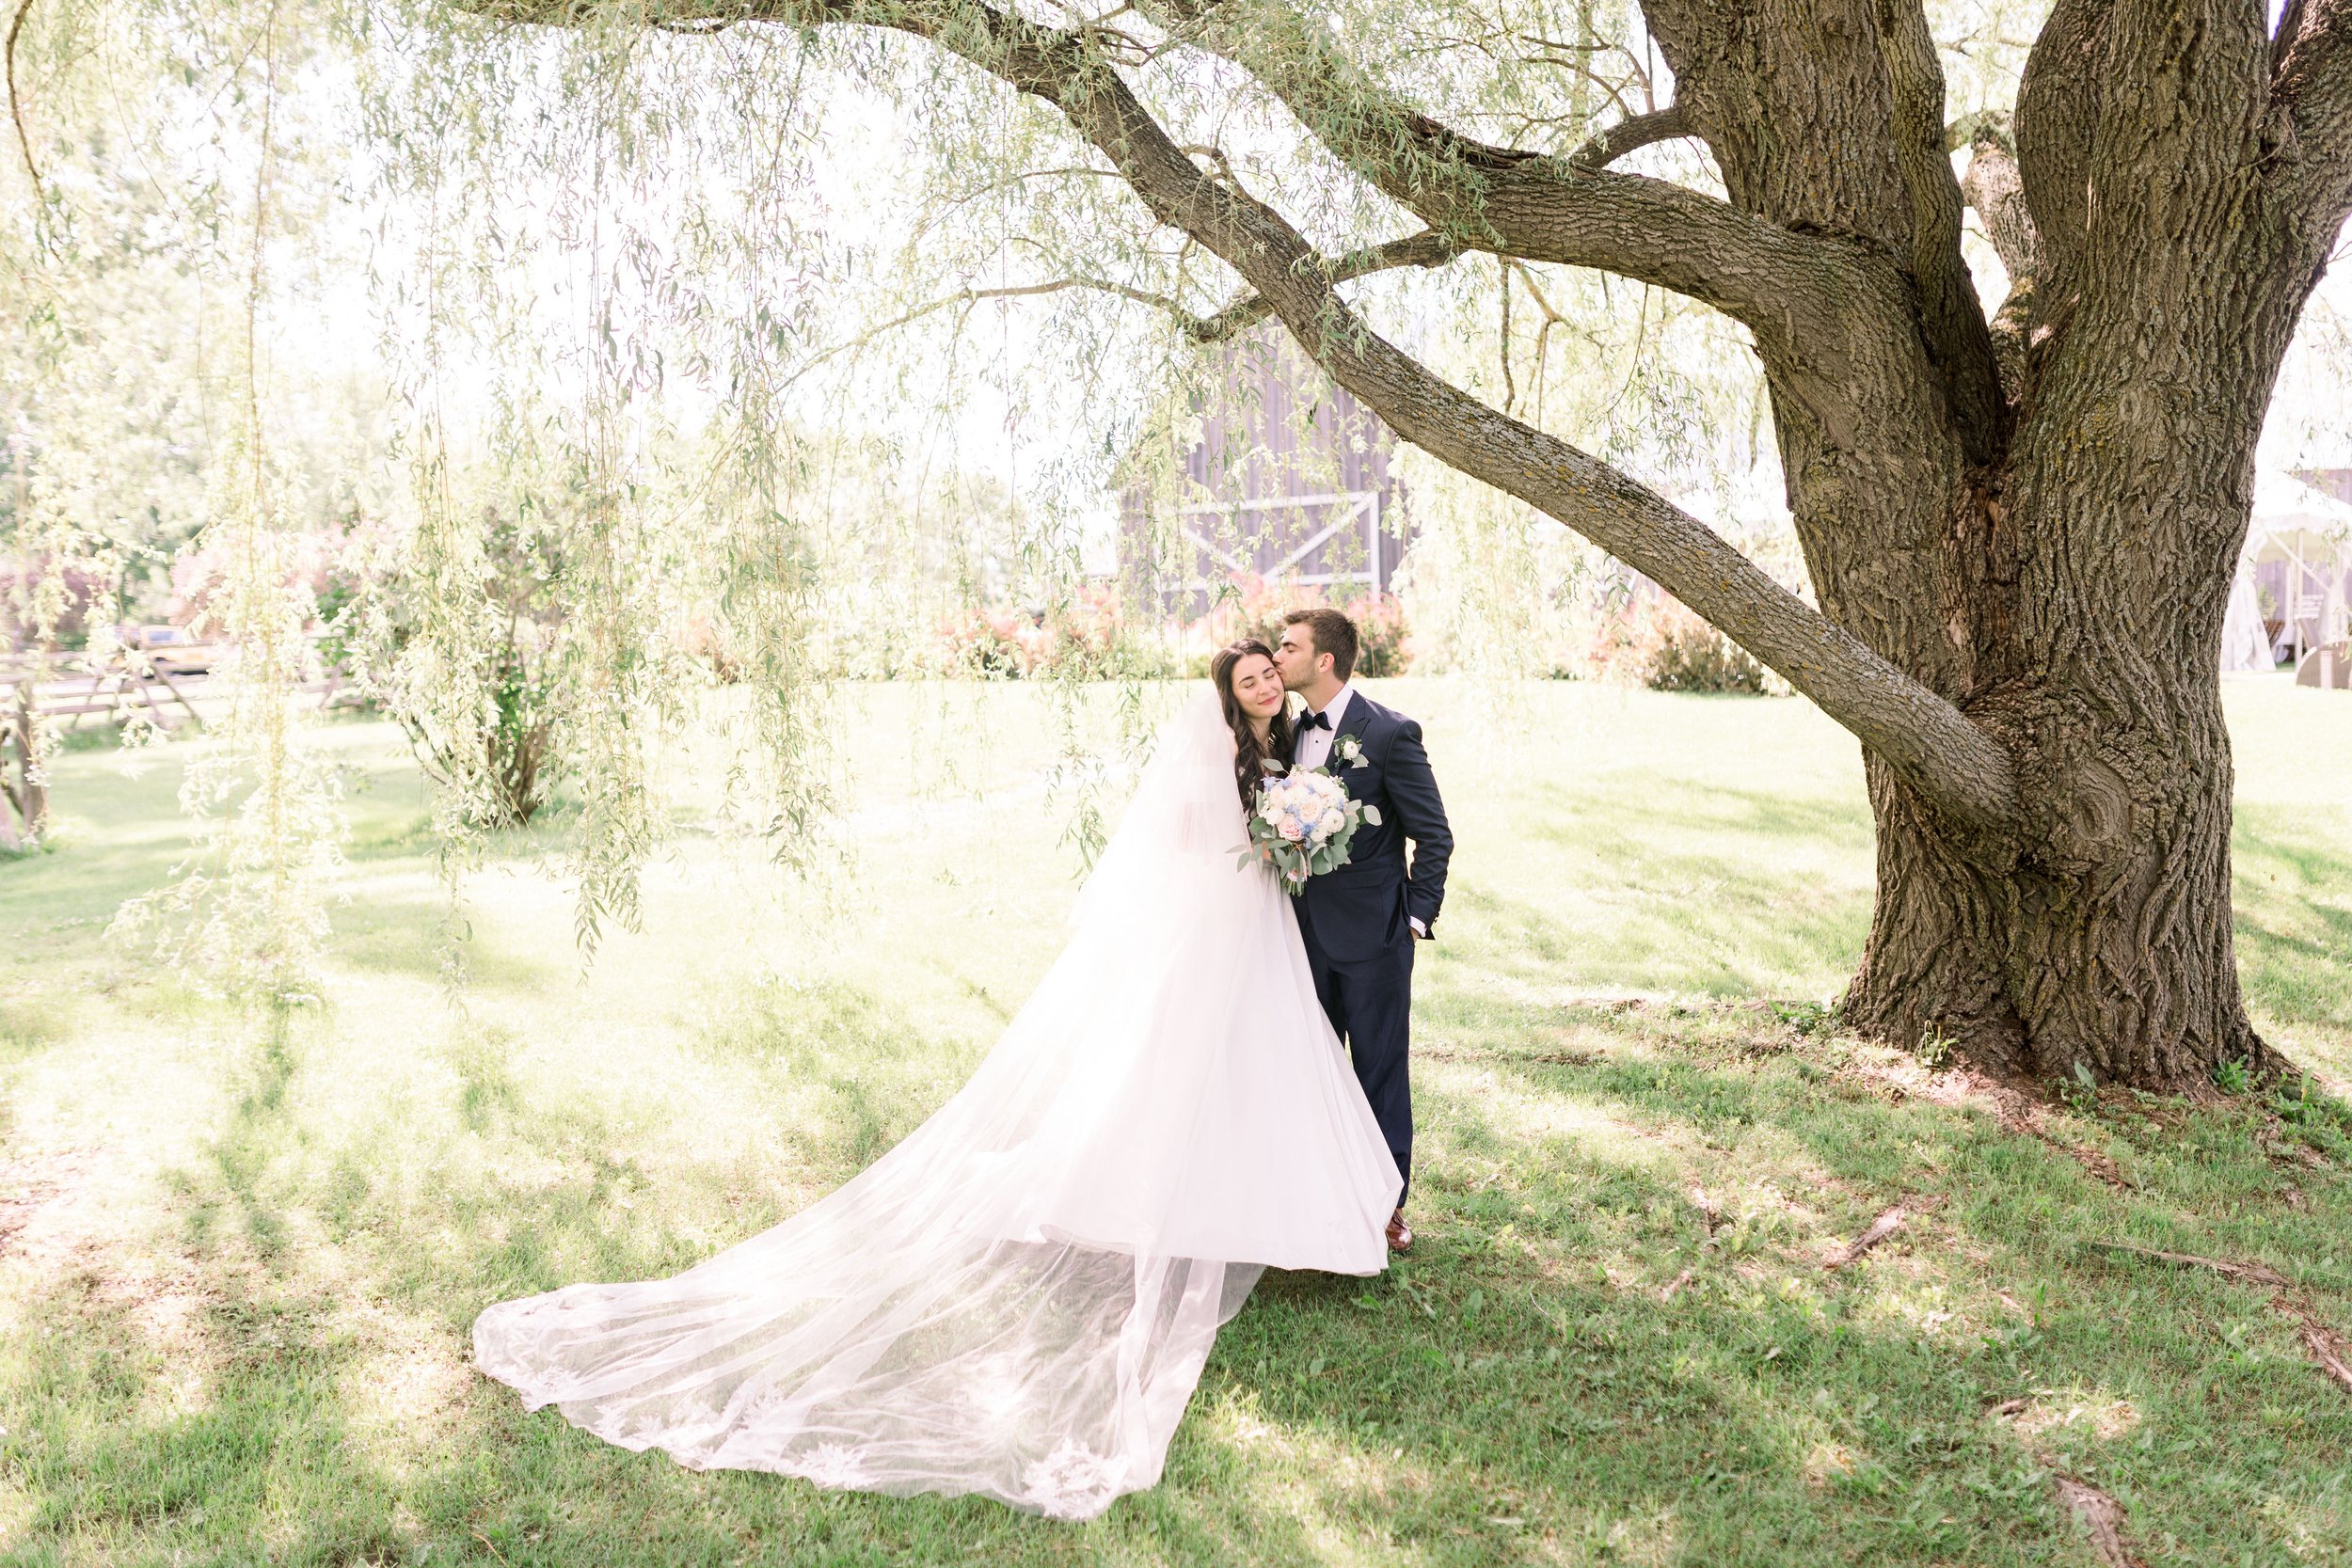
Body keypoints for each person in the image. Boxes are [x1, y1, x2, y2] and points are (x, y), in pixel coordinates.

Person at [472, 640, 1403, 1520]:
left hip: (1259, 924)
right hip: (1217, 925)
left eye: (1264, 677)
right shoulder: (1215, 753)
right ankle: (1164, 1196)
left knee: (1257, 1062)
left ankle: (1268, 1202)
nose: (1260, 687)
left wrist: (1293, 836)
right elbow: (1188, 842)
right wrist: (1275, 835)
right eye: (1245, 678)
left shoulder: (1284, 740)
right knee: (1188, 1062)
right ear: (1223, 689)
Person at [1272, 608, 1453, 1254]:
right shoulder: (1288, 731)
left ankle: (1385, 1207)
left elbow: (1434, 834)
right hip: (1300, 936)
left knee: (1379, 1072)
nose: (1277, 654)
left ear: (1324, 660)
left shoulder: (1390, 733)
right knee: (1312, 1072)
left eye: (1288, 646)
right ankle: (1318, 1202)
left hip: (1375, 937)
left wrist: (1413, 917)